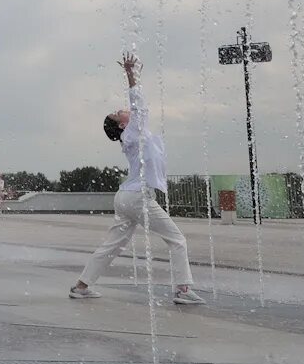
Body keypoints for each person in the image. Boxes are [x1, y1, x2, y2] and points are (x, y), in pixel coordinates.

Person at [70, 54, 205, 305]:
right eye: (117, 112)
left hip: (127, 197)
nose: (123, 109)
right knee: (177, 239)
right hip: (136, 197)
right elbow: (139, 104)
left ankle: (81, 286)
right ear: (121, 125)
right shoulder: (132, 132)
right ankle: (183, 290)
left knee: (113, 244)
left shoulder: (135, 134)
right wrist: (131, 73)